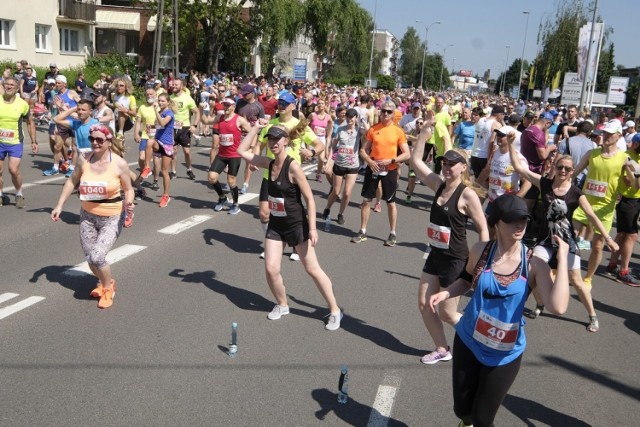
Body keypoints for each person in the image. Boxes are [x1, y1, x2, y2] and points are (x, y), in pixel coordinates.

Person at [429, 194, 570, 427]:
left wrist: (562, 259)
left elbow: (558, 307)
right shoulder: (481, 250)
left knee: (484, 419)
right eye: (513, 220)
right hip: (469, 340)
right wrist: (446, 293)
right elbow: (466, 278)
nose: (520, 225)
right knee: (462, 410)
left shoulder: (533, 263)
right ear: (497, 223)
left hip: (505, 353)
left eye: (523, 220)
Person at [508, 132, 619, 332]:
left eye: (568, 169)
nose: (563, 171)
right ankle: (531, 305)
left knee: (576, 279)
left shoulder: (576, 193)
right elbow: (519, 168)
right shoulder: (545, 184)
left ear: (571, 171)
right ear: (554, 167)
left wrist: (609, 238)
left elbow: (592, 217)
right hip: (545, 240)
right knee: (532, 270)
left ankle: (592, 315)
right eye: (560, 167)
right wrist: (510, 145)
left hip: (566, 242)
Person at [237, 124, 342, 330]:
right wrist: (256, 129)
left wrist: (312, 228)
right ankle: (282, 304)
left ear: (286, 141)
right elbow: (241, 151)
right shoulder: (269, 163)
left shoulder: (292, 167)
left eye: (277, 139)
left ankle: (335, 310)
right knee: (271, 268)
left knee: (312, 269)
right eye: (270, 139)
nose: (273, 143)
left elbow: (310, 199)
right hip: (276, 224)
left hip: (296, 225)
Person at [411, 122, 489, 364]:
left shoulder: (467, 195)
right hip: (436, 255)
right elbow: (416, 163)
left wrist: (480, 262)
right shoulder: (438, 185)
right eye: (444, 162)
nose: (446, 167)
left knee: (446, 312)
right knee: (424, 303)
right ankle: (442, 348)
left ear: (463, 167)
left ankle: (481, 341)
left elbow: (483, 230)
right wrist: (424, 136)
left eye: (451, 163)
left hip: (456, 259)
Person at [51, 125, 134, 309]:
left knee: (97, 256)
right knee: (90, 258)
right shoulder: (84, 159)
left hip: (112, 216)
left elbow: (128, 190)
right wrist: (59, 205)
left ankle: (107, 288)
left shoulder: (119, 163)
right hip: (87, 216)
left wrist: (129, 203)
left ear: (108, 141)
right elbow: (72, 181)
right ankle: (106, 281)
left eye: (99, 140)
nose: (95, 143)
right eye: (92, 139)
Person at [572, 119, 631, 287]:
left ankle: (588, 278)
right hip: (584, 204)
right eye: (605, 132)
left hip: (605, 208)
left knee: (597, 247)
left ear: (619, 136)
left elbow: (631, 183)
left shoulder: (623, 158)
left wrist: (631, 177)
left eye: (610, 134)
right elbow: (574, 174)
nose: (606, 136)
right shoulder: (592, 154)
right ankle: (562, 270)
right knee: (570, 239)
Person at [351, 101, 410, 247]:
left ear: (393, 114)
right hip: (373, 168)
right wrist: (370, 162)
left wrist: (392, 160)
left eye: (389, 111)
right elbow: (363, 151)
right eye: (383, 111)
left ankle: (392, 233)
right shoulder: (373, 129)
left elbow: (407, 154)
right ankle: (362, 231)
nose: (385, 114)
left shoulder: (398, 131)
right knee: (366, 200)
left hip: (390, 170)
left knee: (390, 202)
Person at [202, 97, 252, 214]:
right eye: (224, 105)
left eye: (228, 105)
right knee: (212, 177)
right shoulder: (220, 117)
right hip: (222, 154)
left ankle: (235, 204)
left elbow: (252, 132)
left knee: (231, 181)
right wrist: (200, 110)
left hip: (234, 155)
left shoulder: (239, 120)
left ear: (233, 107)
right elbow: (205, 121)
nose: (225, 107)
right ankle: (222, 197)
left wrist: (250, 147)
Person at [605, 133, 640, 286]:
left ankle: (613, 264)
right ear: (636, 144)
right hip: (628, 200)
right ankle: (623, 271)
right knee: (631, 236)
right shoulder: (626, 157)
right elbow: (632, 184)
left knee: (623, 233)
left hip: (635, 200)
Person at [0, 77, 37, 208]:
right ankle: (0, 195)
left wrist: (34, 141)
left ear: (17, 88)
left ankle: (19, 194)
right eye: (6, 84)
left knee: (13, 170)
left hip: (15, 141)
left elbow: (30, 122)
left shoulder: (22, 104)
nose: (9, 87)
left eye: (12, 85)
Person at [322, 108, 363, 225]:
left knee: (347, 193)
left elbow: (368, 133)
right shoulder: (340, 130)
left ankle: (341, 214)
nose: (350, 119)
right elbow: (333, 148)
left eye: (352, 117)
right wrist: (329, 162)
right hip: (339, 164)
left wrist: (364, 123)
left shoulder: (359, 130)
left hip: (353, 166)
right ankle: (327, 208)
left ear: (356, 118)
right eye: (348, 117)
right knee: (335, 191)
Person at [141, 92, 175, 208]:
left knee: (165, 171)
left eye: (162, 101)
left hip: (167, 144)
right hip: (157, 141)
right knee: (149, 142)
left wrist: (155, 111)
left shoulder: (169, 113)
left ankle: (165, 195)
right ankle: (147, 167)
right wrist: (151, 128)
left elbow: (163, 123)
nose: (160, 103)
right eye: (159, 101)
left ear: (168, 102)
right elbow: (158, 125)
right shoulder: (160, 112)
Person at [169, 79, 200, 180]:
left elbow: (197, 112)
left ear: (182, 86)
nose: (173, 86)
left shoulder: (188, 98)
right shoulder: (170, 98)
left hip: (185, 128)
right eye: (173, 84)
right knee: (173, 151)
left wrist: (194, 125)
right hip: (172, 127)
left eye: (176, 85)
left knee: (187, 151)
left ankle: (189, 169)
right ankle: (173, 171)